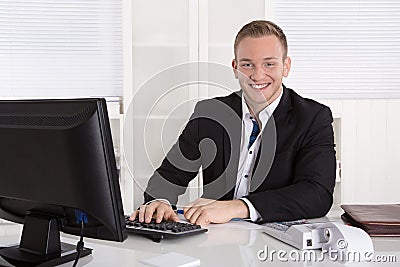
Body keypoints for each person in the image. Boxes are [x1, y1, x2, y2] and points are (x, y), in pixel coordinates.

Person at [130, 20, 336, 225]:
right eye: (247, 65)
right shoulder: (210, 113)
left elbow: (317, 194)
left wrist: (239, 206)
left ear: (286, 66)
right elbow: (168, 176)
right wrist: (160, 201)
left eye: (269, 64)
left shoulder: (313, 117)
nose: (257, 75)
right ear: (235, 68)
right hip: (217, 237)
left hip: (277, 240)